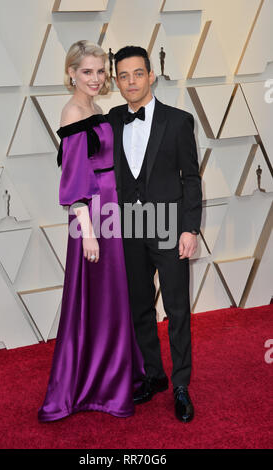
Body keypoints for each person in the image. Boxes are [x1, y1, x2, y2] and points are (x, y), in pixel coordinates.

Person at [38, 40, 144, 422]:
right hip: (92, 216)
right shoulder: (72, 112)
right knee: (92, 297)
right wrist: (86, 231)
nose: (96, 78)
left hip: (110, 210)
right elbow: (73, 180)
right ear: (71, 73)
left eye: (101, 71)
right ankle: (92, 387)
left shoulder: (94, 107)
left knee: (109, 297)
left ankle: (111, 380)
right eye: (87, 72)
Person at [107, 46, 202, 423]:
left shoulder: (179, 121)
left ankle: (181, 384)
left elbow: (191, 179)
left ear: (151, 76)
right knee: (138, 307)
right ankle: (154, 375)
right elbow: (79, 154)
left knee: (177, 310)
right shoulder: (112, 120)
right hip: (128, 228)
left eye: (138, 74)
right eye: (124, 76)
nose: (131, 82)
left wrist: (190, 228)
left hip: (169, 225)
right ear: (117, 81)